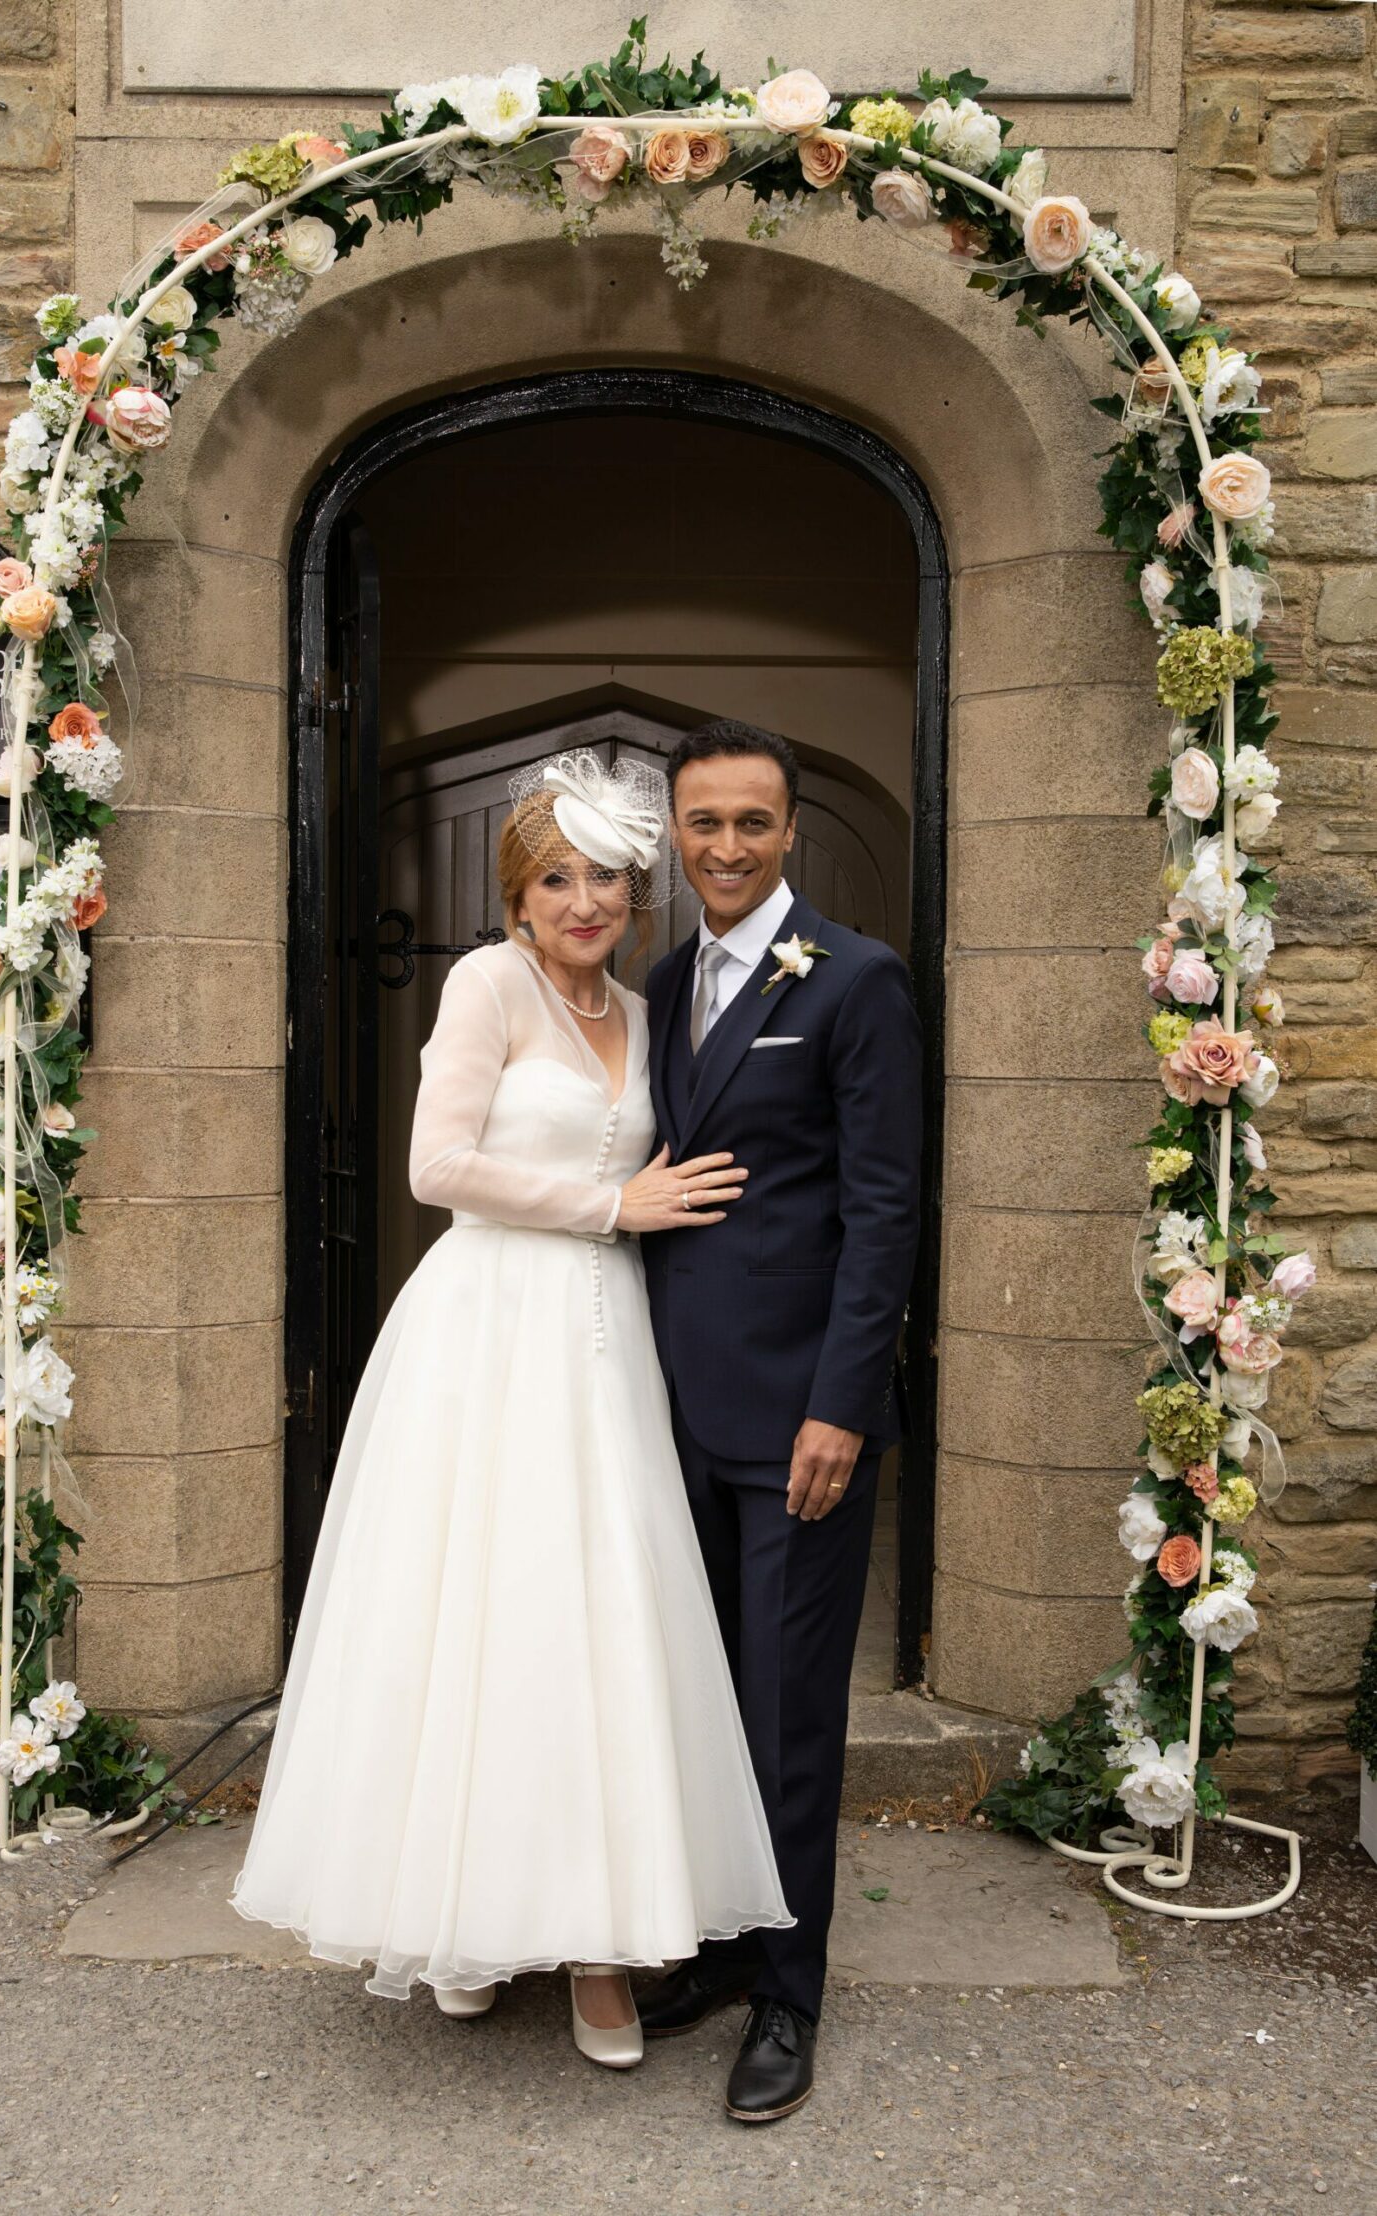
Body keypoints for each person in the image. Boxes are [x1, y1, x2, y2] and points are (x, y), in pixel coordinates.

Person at [231, 750, 790, 2069]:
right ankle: (463, 1921)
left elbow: (665, 1164)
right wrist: (612, 1205)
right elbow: (436, 1168)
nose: (583, 901)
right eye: (556, 880)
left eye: (604, 878)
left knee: (596, 1623)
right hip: (487, 1333)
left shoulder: (647, 1010)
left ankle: (600, 1948)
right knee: (478, 1618)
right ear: (518, 897)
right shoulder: (485, 985)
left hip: (605, 1343)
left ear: (633, 893)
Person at [636, 718, 924, 2124]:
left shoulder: (857, 979)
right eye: (705, 822)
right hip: (664, 1406)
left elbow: (884, 1213)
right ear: (675, 833)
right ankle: (714, 1947)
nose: (729, 846)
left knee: (787, 1711)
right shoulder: (661, 979)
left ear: (792, 829)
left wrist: (843, 1410)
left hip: (797, 1418)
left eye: (753, 821)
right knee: (692, 1700)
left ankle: (789, 1995)